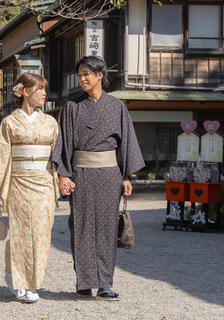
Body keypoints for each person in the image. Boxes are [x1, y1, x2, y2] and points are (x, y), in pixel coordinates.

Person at [52, 55, 145, 301]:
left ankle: (105, 283)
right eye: (79, 74)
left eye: (87, 74)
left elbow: (126, 143)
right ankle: (84, 282)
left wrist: (126, 176)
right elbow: (64, 145)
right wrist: (63, 174)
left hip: (109, 174)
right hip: (80, 174)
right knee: (81, 227)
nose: (82, 78)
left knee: (106, 227)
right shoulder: (71, 107)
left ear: (100, 75)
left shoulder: (117, 107)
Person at [0, 72, 59, 304]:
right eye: (39, 89)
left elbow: (57, 156)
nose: (44, 93)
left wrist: (62, 179)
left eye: (45, 89)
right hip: (18, 182)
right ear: (24, 91)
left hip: (44, 181)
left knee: (42, 234)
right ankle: (21, 281)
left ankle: (33, 283)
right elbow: (2, 156)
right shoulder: (9, 122)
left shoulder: (50, 122)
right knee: (20, 234)